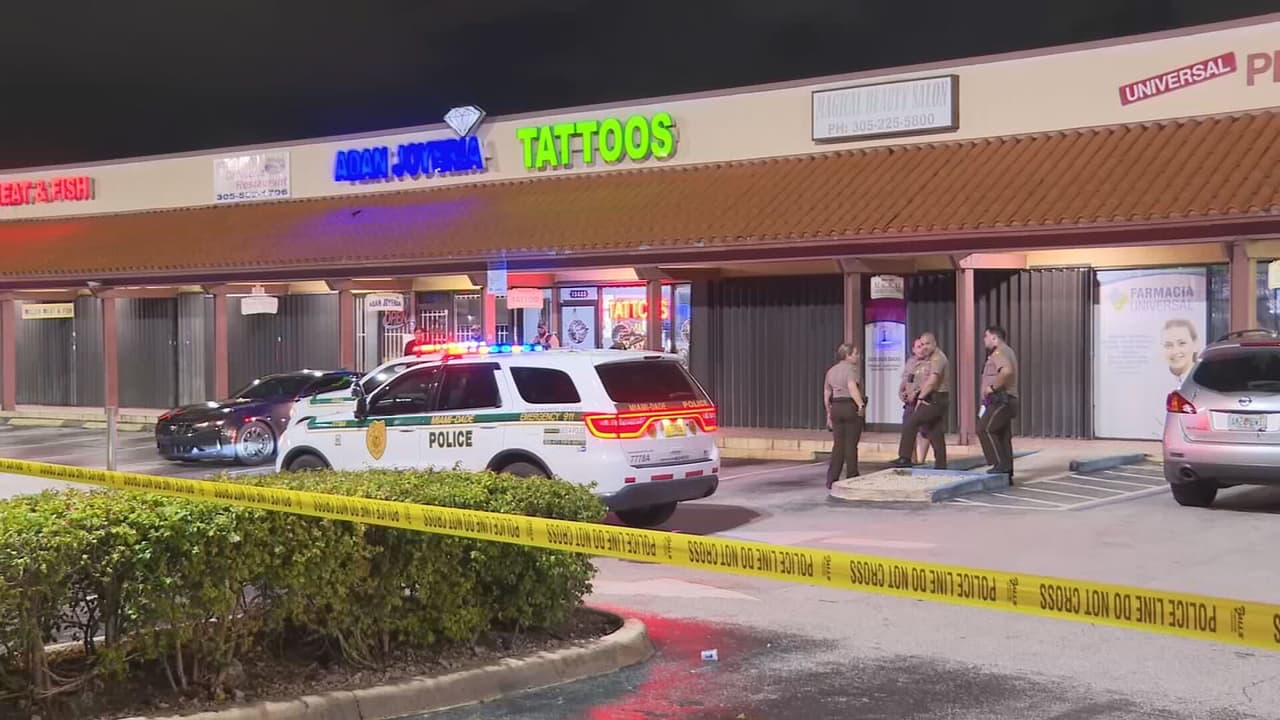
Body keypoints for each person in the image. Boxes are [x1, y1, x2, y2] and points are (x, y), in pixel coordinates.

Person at [892, 332, 949, 469]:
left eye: (927, 344)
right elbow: (909, 380)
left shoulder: (937, 358)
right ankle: (941, 464)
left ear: (934, 343)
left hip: (935, 398)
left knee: (912, 422)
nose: (924, 347)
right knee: (935, 431)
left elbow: (932, 381)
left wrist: (920, 398)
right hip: (931, 397)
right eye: (922, 344)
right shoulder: (924, 359)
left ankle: (905, 457)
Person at [977, 325, 1020, 480]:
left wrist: (992, 388)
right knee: (1002, 435)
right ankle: (1007, 472)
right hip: (1006, 400)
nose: (984, 340)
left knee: (985, 429)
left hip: (1002, 400)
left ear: (994, 338)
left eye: (986, 336)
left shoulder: (999, 352)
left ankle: (1000, 465)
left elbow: (1006, 371)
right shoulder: (1007, 351)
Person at [824, 343, 866, 488]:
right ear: (847, 356)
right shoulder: (852, 369)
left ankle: (831, 478)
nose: (858, 356)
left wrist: (828, 412)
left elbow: (827, 393)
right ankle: (852, 476)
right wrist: (860, 405)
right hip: (849, 406)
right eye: (855, 354)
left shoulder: (831, 371)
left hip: (836, 407)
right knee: (851, 444)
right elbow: (852, 387)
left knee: (838, 445)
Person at [1162, 318, 1200, 387]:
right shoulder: (1158, 382)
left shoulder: (1205, 381)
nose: (1175, 351)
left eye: (1182, 343)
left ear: (1195, 345)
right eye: (1168, 345)